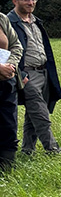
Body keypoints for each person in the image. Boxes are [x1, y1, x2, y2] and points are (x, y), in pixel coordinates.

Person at [8, 0, 61, 155]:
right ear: (15, 1)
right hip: (27, 73)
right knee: (40, 113)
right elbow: (8, 50)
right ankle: (52, 149)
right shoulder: (9, 23)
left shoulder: (36, 21)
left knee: (33, 114)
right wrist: (21, 74)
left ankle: (27, 149)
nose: (31, 3)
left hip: (44, 71)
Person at [0, 11, 24, 171]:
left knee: (8, 125)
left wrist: (11, 66)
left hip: (6, 83)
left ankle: (7, 169)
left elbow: (16, 46)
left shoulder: (1, 18)